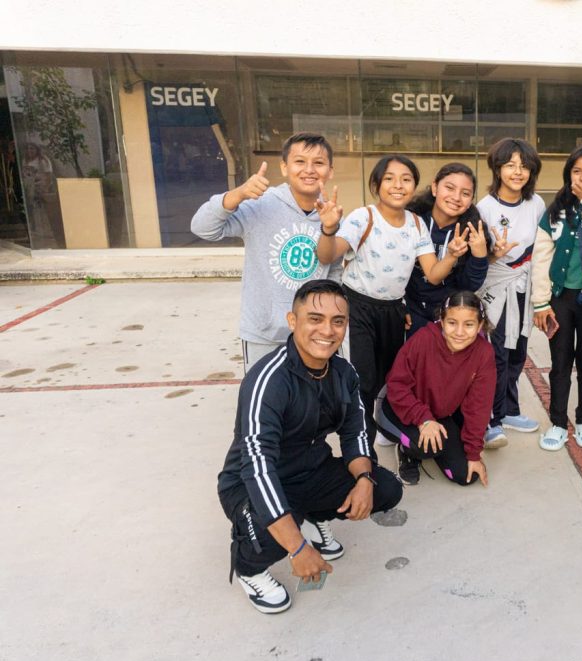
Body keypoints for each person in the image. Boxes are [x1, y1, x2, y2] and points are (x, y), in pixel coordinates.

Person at [216, 279, 403, 614]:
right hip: (249, 482)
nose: (327, 331)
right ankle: (249, 568)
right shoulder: (268, 380)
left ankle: (312, 517)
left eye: (337, 321)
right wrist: (298, 548)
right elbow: (257, 467)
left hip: (310, 470)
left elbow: (356, 433)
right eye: (315, 319)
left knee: (385, 488)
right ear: (293, 321)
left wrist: (364, 479)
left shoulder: (344, 372)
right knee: (269, 534)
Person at [315, 155, 466, 451]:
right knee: (362, 382)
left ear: (415, 186)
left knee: (389, 379)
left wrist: (451, 256)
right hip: (358, 308)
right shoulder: (363, 217)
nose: (398, 185)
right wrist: (329, 229)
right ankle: (360, 450)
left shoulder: (417, 224)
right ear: (376, 185)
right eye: (389, 178)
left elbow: (433, 274)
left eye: (406, 179)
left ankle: (384, 426)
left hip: (394, 311)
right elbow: (327, 255)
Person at [191, 132, 341, 373]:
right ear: (284, 167)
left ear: (330, 171)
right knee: (264, 394)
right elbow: (202, 227)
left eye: (319, 163)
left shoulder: (331, 215)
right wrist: (238, 194)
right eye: (300, 161)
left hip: (314, 335)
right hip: (264, 334)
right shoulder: (261, 204)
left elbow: (333, 272)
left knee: (314, 395)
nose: (309, 170)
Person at [531, 144, 582, 451]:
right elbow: (541, 257)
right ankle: (557, 422)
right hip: (561, 299)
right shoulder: (556, 212)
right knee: (560, 361)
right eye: (577, 171)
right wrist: (541, 302)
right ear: (568, 175)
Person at [377, 291, 497, 487]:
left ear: (479, 325)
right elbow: (397, 385)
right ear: (441, 320)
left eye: (468, 324)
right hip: (397, 405)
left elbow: (479, 406)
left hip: (438, 414)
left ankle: (430, 437)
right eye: (452, 323)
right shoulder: (424, 339)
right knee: (427, 447)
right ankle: (407, 452)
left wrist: (473, 453)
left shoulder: (484, 353)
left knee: (465, 475)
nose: (459, 332)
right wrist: (423, 419)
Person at [476, 138, 545, 449]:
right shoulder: (484, 208)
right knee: (497, 354)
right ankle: (490, 420)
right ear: (497, 168)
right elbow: (478, 259)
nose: (517, 172)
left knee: (518, 350)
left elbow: (541, 247)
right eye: (510, 165)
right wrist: (495, 253)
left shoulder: (536, 204)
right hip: (496, 286)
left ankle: (509, 410)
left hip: (523, 286)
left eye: (524, 166)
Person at [405, 163, 491, 335]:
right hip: (410, 312)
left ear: (471, 200)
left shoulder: (473, 230)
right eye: (449, 188)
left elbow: (469, 286)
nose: (456, 197)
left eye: (465, 193)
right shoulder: (412, 220)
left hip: (448, 315)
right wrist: (401, 306)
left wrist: (480, 255)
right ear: (435, 188)